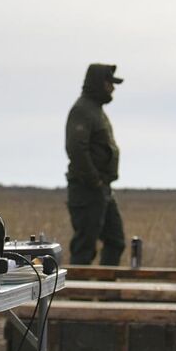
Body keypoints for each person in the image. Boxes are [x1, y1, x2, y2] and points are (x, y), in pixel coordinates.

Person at [64, 62, 125, 266]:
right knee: (84, 247)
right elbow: (76, 149)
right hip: (87, 189)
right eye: (110, 83)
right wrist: (95, 181)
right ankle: (79, 295)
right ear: (100, 84)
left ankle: (108, 295)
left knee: (115, 241)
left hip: (102, 189)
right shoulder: (82, 110)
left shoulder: (95, 110)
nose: (113, 88)